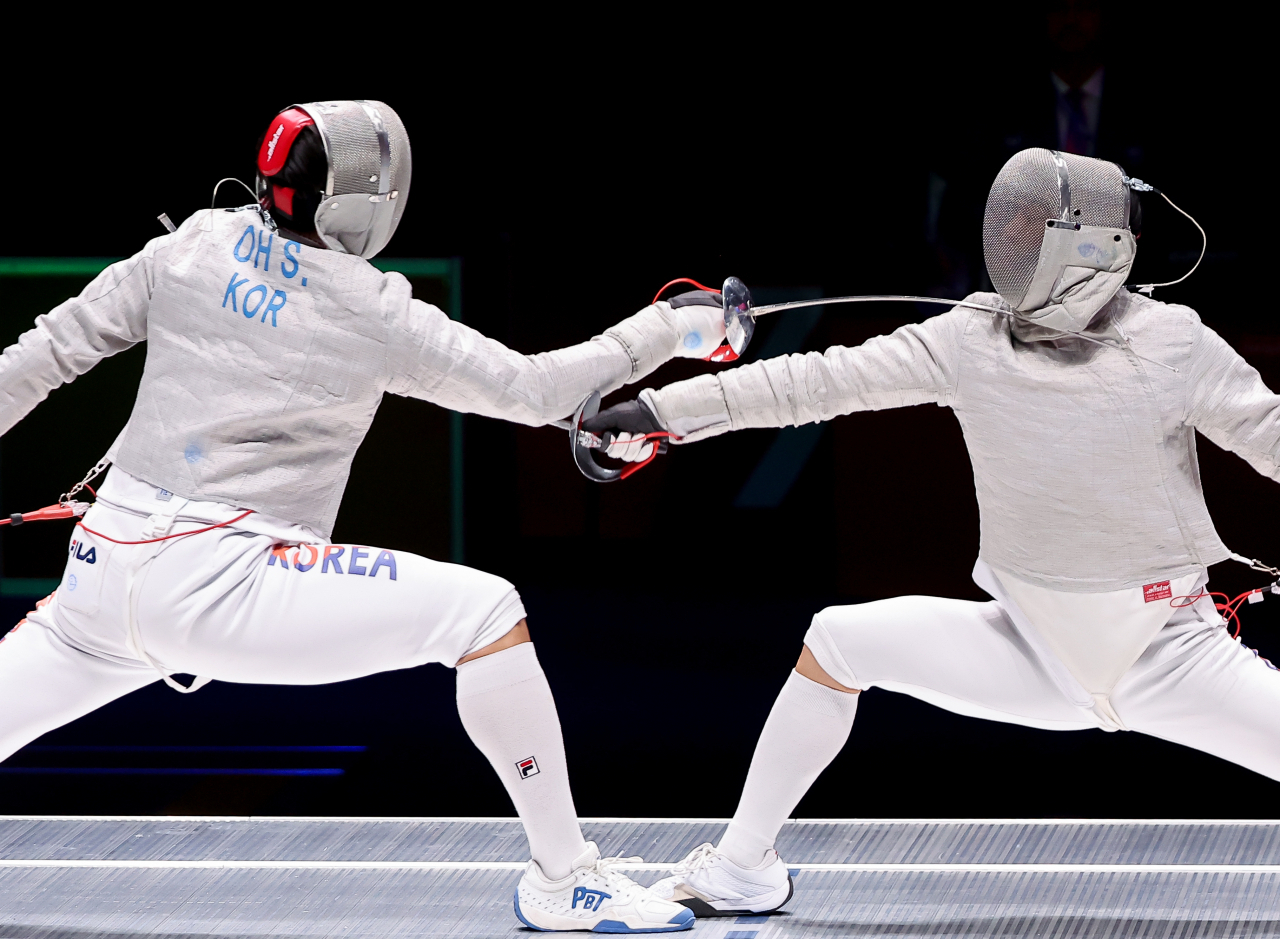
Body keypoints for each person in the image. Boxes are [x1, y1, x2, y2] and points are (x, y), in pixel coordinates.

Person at [0, 100, 727, 933]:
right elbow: (538, 392)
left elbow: (43, 353)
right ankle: (564, 877)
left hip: (99, 580)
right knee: (485, 613)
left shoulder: (191, 244)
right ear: (359, 204)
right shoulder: (369, 307)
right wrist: (674, 325)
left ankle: (567, 875)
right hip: (226, 587)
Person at [583, 147, 1280, 916]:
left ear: (1090, 245)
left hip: (1169, 655)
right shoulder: (971, 337)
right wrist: (660, 415)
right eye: (1009, 222)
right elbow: (814, 380)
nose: (1008, 240)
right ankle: (743, 865)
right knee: (839, 641)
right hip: (1032, 647)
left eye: (1029, 225)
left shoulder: (1172, 341)